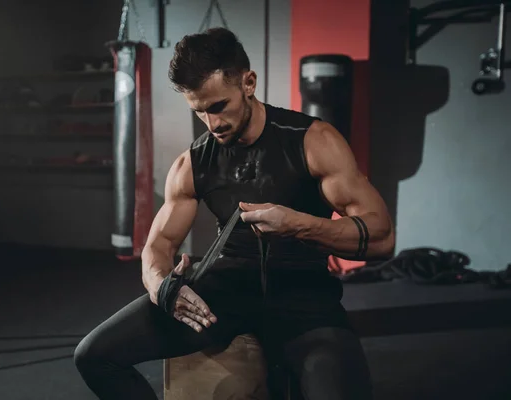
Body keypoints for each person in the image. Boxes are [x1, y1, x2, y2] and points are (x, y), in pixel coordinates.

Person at [74, 27, 395, 400]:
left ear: (248, 83)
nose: (212, 124)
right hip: (223, 295)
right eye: (199, 112)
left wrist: (297, 225)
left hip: (303, 299)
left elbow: (382, 237)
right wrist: (162, 287)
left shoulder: (313, 141)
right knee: (94, 355)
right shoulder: (194, 161)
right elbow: (159, 243)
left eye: (218, 107)